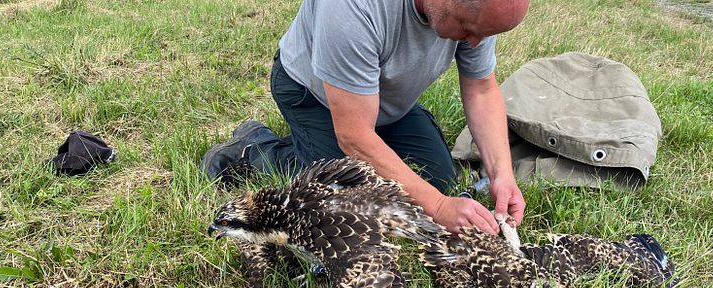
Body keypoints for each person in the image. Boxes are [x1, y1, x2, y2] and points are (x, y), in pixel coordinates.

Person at [201, 0, 529, 235]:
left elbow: (482, 90)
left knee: (438, 180)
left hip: (382, 99)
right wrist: (440, 208)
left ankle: (369, 141)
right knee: (342, 199)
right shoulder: (353, 8)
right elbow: (355, 136)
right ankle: (254, 150)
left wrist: (502, 173)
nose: (476, 43)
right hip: (312, 93)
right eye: (469, 30)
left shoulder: (478, 15)